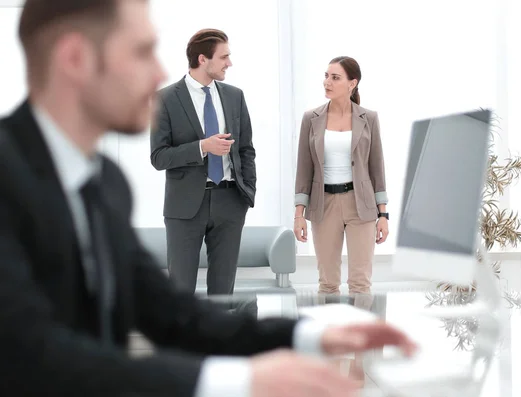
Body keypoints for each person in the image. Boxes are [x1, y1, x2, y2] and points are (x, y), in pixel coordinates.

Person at [0, 1, 418, 396]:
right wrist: (238, 379)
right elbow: (33, 353)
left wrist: (305, 334)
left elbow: (170, 312)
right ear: (75, 58)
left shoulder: (106, 185)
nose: (159, 71)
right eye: (142, 51)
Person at [150, 28, 254, 295]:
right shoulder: (165, 99)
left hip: (230, 202)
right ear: (202, 60)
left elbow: (246, 150)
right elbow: (159, 157)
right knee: (180, 291)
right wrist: (202, 147)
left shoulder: (234, 96)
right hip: (184, 207)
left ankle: (220, 339)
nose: (229, 63)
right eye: (224, 57)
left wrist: (247, 194)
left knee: (223, 293)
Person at [294, 56, 390, 295]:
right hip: (323, 203)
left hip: (361, 205)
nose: (327, 82)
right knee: (327, 283)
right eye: (326, 76)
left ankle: (362, 332)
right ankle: (330, 332)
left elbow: (377, 168)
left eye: (335, 77)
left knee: (360, 283)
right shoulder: (311, 118)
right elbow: (304, 169)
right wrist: (298, 214)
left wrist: (383, 215)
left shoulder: (369, 118)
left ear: (352, 83)